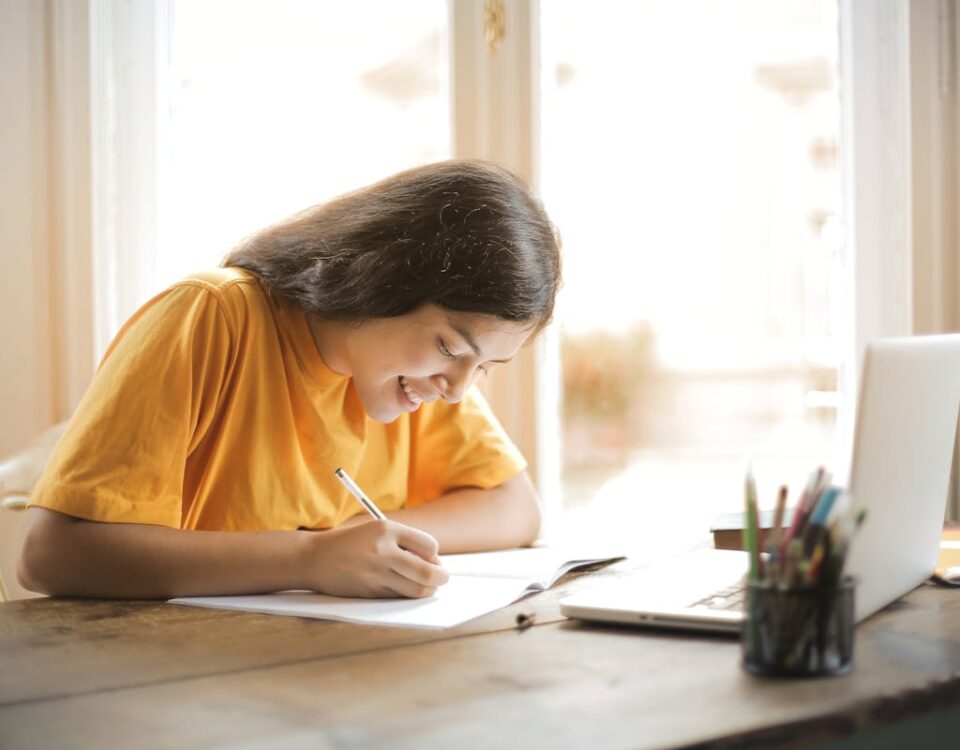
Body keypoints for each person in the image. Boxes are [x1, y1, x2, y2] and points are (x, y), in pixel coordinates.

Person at [18, 160, 561, 601]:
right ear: (382, 280)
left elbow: (515, 507)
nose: (459, 389)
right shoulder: (210, 316)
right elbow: (49, 555)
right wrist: (310, 558)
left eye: (483, 367)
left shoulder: (420, 378)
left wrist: (364, 540)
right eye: (450, 348)